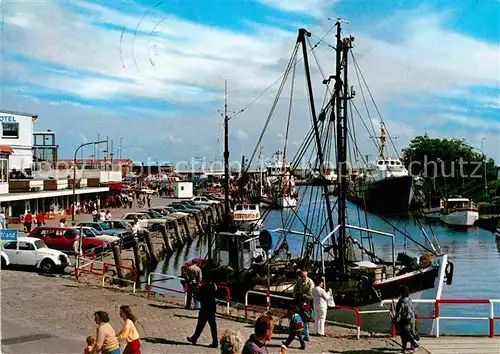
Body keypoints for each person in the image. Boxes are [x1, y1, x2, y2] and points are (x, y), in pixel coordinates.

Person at [186, 275, 218, 348]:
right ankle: (215, 341)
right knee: (213, 326)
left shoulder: (203, 288)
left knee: (200, 325)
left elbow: (199, 298)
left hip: (205, 308)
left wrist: (195, 293)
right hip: (212, 308)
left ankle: (194, 338)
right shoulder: (214, 287)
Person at [395, 285, 420, 353]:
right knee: (412, 332)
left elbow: (399, 314)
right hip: (412, 319)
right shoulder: (410, 300)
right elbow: (412, 309)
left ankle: (403, 350)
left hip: (405, 320)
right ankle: (413, 346)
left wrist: (395, 321)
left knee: (404, 335)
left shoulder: (401, 302)